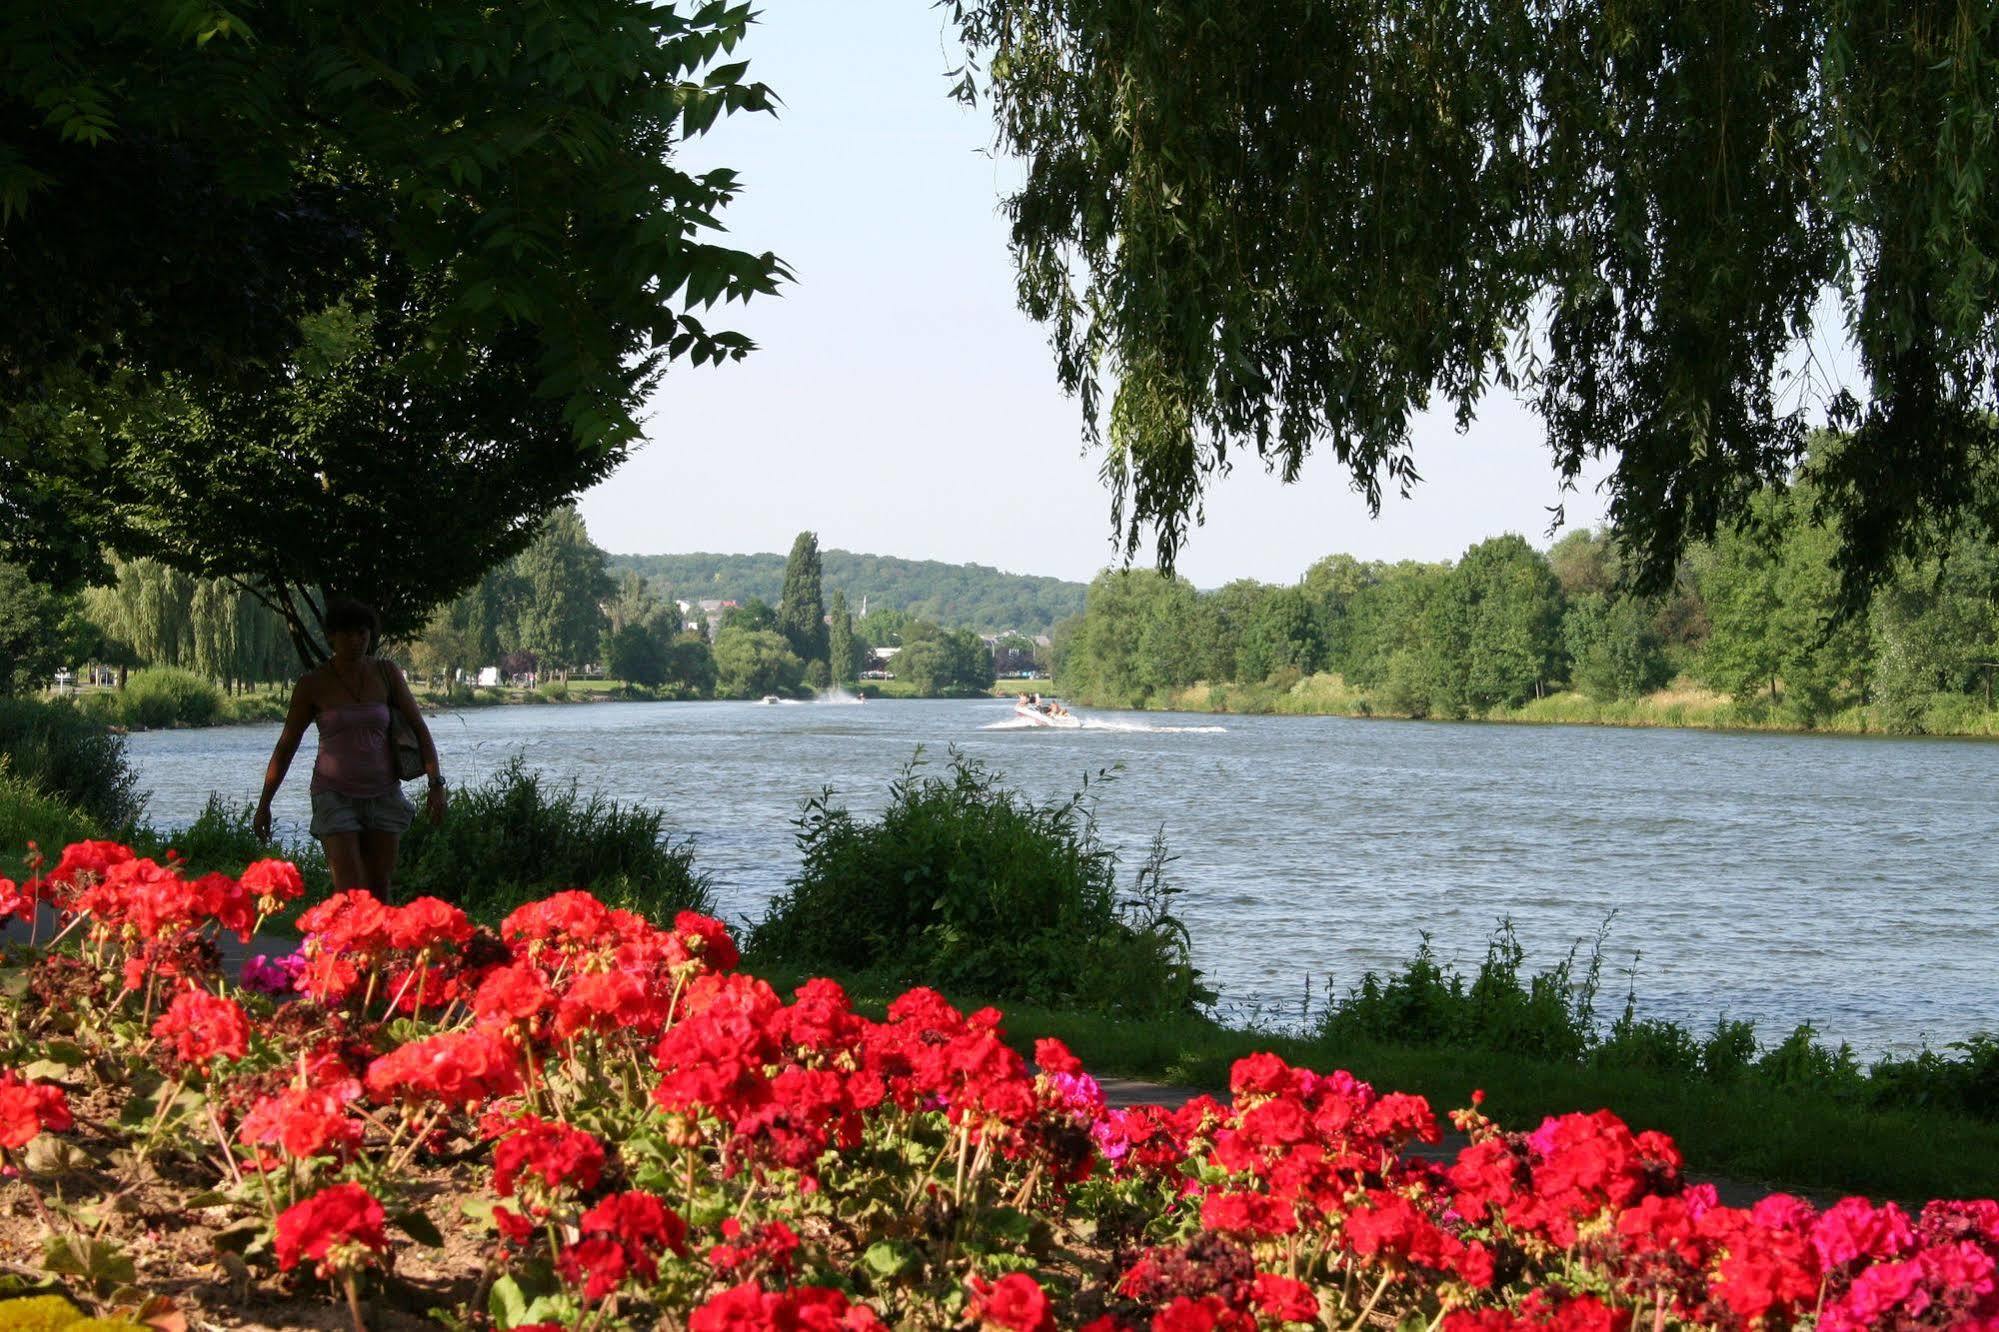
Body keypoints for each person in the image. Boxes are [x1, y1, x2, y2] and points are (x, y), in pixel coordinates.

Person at [253, 598, 446, 893]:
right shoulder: (312, 684)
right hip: (334, 796)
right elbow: (286, 746)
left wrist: (436, 784)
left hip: (384, 795)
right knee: (351, 893)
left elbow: (420, 728)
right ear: (331, 636)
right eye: (348, 634)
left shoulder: (386, 673)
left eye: (363, 633)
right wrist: (265, 803)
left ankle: (381, 941)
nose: (357, 641)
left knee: (380, 890)